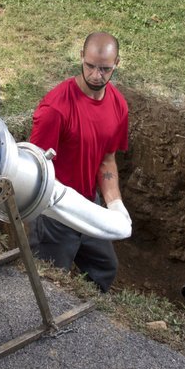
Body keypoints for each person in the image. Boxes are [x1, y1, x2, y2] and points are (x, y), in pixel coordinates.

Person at [29, 31, 129, 292]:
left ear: (117, 63)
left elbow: (107, 160)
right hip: (56, 211)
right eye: (90, 66)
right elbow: (34, 168)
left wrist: (114, 203)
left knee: (105, 268)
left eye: (105, 69)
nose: (97, 75)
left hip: (90, 205)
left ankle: (88, 322)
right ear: (81, 57)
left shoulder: (118, 106)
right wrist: (59, 204)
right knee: (48, 283)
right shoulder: (55, 109)